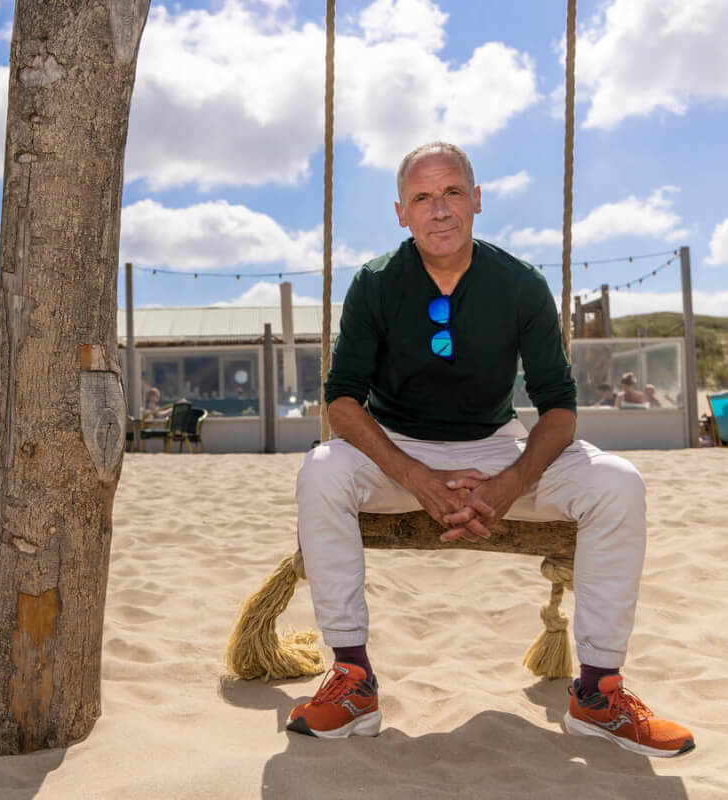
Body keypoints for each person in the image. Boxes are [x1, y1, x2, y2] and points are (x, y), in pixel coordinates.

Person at [288, 142, 694, 758]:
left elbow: (559, 407)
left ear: (476, 201)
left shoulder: (519, 283)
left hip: (499, 451)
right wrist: (417, 476)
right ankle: (352, 681)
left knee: (619, 483)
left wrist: (508, 486)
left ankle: (598, 694)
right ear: (402, 212)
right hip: (397, 454)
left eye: (452, 192)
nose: (440, 209)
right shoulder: (374, 284)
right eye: (422, 197)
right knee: (320, 471)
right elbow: (342, 402)